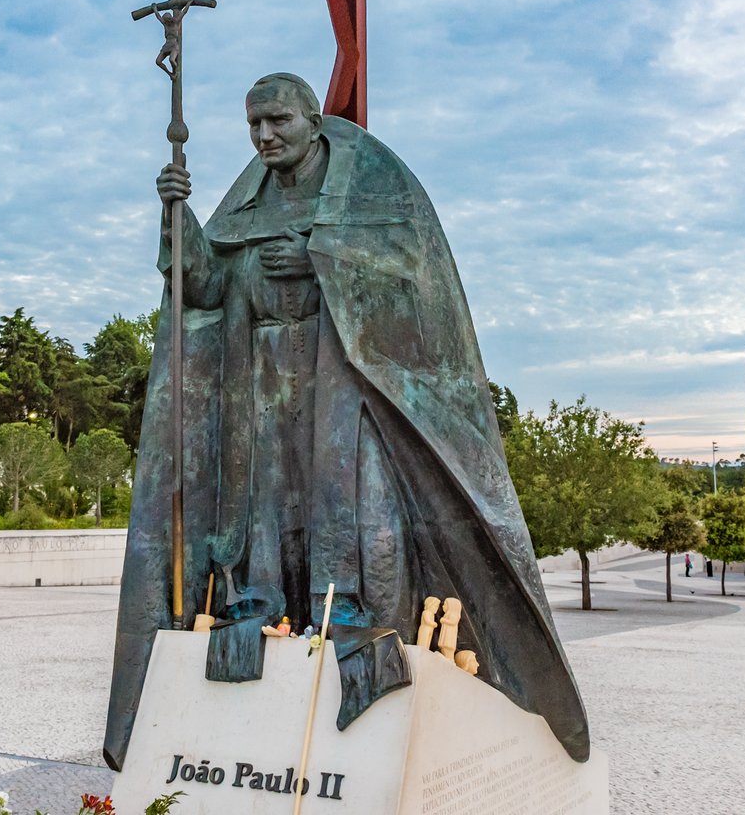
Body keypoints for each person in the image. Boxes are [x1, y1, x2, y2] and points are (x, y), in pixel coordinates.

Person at [104, 73, 589, 769]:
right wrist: (178, 220)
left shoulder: (369, 192)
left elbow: (411, 277)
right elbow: (202, 291)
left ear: (313, 120)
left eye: (277, 122)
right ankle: (262, 613)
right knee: (264, 510)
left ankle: (356, 624)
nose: (265, 137)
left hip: (344, 385)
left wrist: (317, 257)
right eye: (253, 127)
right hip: (264, 387)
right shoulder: (247, 206)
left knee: (357, 508)